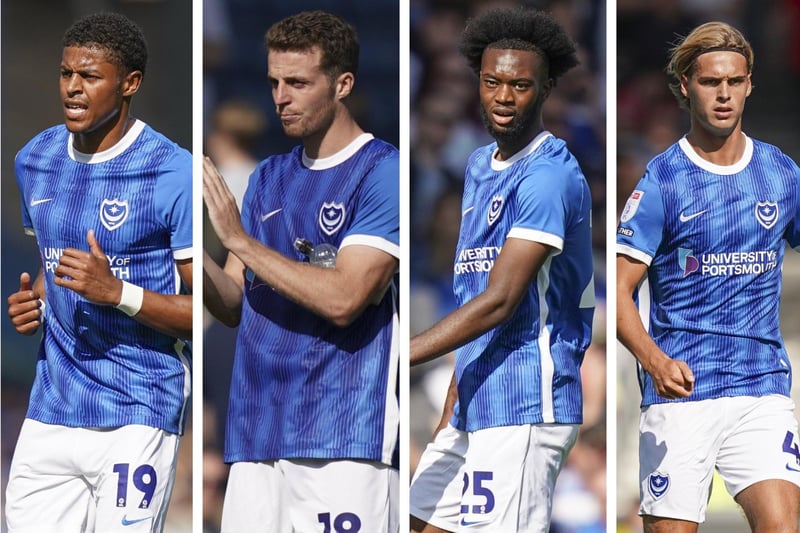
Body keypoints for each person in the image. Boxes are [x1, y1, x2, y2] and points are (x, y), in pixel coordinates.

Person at [202, 10, 399, 533]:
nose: (280, 97)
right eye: (273, 82)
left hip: (341, 440)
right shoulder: (268, 177)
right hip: (255, 437)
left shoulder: (382, 172)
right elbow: (231, 304)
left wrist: (240, 240)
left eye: (297, 82)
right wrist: (186, 252)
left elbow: (345, 299)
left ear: (343, 84)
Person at [408, 7, 595, 532]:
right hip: (474, 397)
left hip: (526, 401)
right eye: (493, 83)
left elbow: (499, 299)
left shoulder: (548, 176)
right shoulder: (476, 165)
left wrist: (398, 354)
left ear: (547, 87)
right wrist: (454, 395)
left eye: (520, 85)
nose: (504, 98)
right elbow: (471, 288)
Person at [5, 12, 193, 532]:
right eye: (66, 74)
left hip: (138, 406)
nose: (73, 88)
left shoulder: (171, 169)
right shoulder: (34, 159)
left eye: (90, 77)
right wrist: (38, 302)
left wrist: (117, 292)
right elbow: (56, 263)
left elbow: (207, 314)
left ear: (130, 83)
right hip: (51, 408)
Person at [616, 21, 800, 533]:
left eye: (735, 81)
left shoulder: (781, 174)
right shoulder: (662, 181)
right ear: (684, 87)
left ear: (749, 86)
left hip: (760, 385)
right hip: (683, 393)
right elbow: (618, 292)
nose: (724, 94)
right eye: (710, 82)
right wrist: (653, 360)